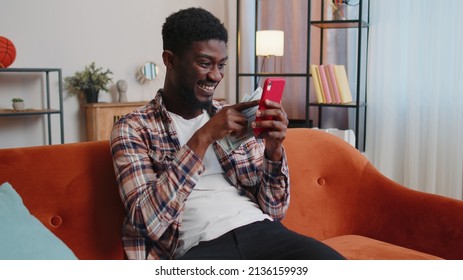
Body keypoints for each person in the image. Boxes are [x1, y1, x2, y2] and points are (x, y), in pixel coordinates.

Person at [110, 7, 345, 260]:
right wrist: (203, 137)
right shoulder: (132, 128)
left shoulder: (234, 117)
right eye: (204, 63)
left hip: (261, 230)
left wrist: (274, 150)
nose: (216, 75)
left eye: (221, 65)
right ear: (170, 60)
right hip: (200, 248)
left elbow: (274, 210)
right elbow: (147, 222)